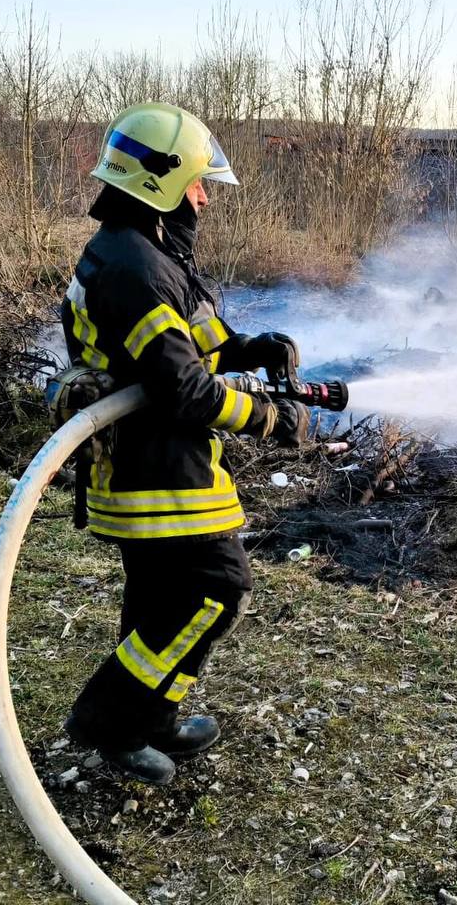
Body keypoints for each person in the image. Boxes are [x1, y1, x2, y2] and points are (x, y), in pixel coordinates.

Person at [59, 102, 307, 784]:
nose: (204, 197)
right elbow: (185, 390)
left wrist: (253, 348)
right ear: (162, 183)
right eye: (198, 183)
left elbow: (195, 343)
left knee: (157, 601)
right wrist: (271, 420)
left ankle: (152, 717)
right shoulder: (133, 269)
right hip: (153, 473)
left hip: (159, 464)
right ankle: (109, 720)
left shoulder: (144, 251)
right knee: (217, 587)